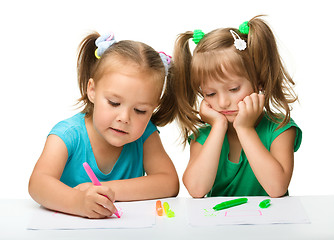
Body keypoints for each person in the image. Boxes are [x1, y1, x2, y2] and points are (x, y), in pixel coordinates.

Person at [28, 32, 179, 218]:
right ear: (92, 90)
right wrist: (78, 202)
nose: (124, 118)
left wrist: (107, 190)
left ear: (153, 109)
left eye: (140, 110)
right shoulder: (67, 135)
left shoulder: (145, 135)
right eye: (114, 103)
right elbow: (38, 184)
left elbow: (169, 183)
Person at [173, 15, 302, 198]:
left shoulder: (280, 129)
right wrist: (218, 126)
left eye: (233, 89)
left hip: (269, 224)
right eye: (210, 93)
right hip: (219, 223)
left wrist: (244, 128)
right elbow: (196, 189)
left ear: (259, 83)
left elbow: (276, 188)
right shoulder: (203, 136)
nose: (223, 102)